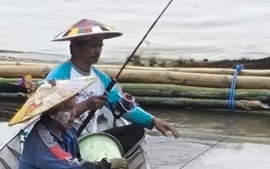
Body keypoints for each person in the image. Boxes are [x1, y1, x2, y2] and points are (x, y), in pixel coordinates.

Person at [41, 18, 179, 146]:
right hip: (66, 139)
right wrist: (86, 105)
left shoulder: (101, 78)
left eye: (100, 46)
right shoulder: (60, 76)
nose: (98, 51)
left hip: (93, 137)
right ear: (74, 48)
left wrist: (152, 120)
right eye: (93, 46)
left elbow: (121, 106)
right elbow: (50, 117)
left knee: (136, 131)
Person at [10, 76, 126, 169]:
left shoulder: (65, 131)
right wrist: (105, 166)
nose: (74, 113)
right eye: (70, 109)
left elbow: (70, 115)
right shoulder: (43, 140)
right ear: (53, 113)